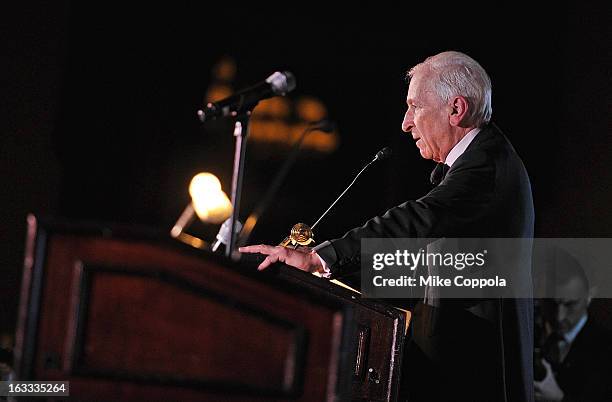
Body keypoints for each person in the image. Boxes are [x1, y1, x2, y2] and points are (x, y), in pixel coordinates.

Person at [240, 51, 535, 401]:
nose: (406, 122)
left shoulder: (487, 167)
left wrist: (322, 259)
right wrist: (331, 275)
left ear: (456, 109)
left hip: (472, 377)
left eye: (416, 107)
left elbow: (416, 220)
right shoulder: (479, 161)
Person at [534, 248, 612, 401]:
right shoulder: (531, 335)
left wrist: (560, 399)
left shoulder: (607, 350)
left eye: (570, 304)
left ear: (590, 295)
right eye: (551, 303)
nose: (559, 316)